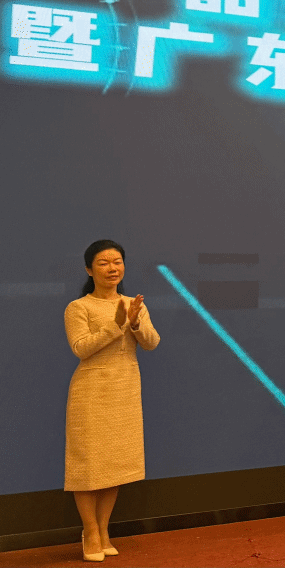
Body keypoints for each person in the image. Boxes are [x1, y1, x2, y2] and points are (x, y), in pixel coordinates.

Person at [64, 240, 161, 562]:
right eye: (103, 263)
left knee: (114, 464)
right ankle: (90, 532)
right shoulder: (78, 307)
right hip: (91, 390)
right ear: (89, 270)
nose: (112, 268)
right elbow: (81, 348)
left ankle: (104, 531)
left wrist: (134, 322)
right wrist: (117, 324)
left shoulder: (135, 304)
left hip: (125, 389)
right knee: (88, 465)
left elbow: (152, 343)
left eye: (117, 262)